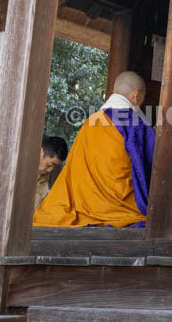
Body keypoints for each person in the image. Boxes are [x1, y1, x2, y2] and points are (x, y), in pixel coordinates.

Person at [34, 71, 154, 227]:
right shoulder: (133, 123)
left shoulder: (90, 122)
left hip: (83, 206)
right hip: (119, 209)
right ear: (136, 95)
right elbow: (150, 164)